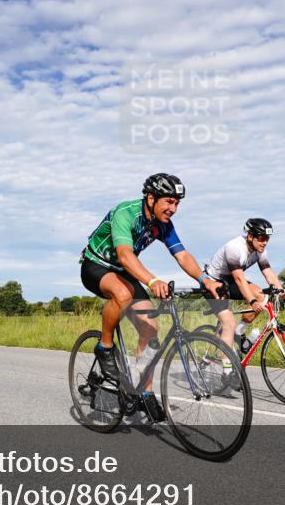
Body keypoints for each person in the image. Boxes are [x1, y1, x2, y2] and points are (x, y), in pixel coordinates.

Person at [80, 173, 222, 421]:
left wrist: (204, 279)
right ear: (150, 197)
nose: (173, 208)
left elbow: (182, 255)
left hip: (124, 271)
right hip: (96, 265)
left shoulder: (163, 224)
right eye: (169, 201)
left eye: (177, 203)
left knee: (151, 329)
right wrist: (153, 280)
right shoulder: (126, 212)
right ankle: (104, 347)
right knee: (123, 295)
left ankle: (144, 392)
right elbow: (124, 255)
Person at [203, 218, 285, 384]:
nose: (264, 243)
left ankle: (239, 333)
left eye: (267, 239)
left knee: (263, 297)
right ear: (250, 236)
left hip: (231, 280)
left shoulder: (261, 251)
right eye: (261, 238)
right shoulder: (235, 248)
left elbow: (269, 275)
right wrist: (252, 301)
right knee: (228, 323)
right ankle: (227, 372)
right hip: (213, 282)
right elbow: (240, 280)